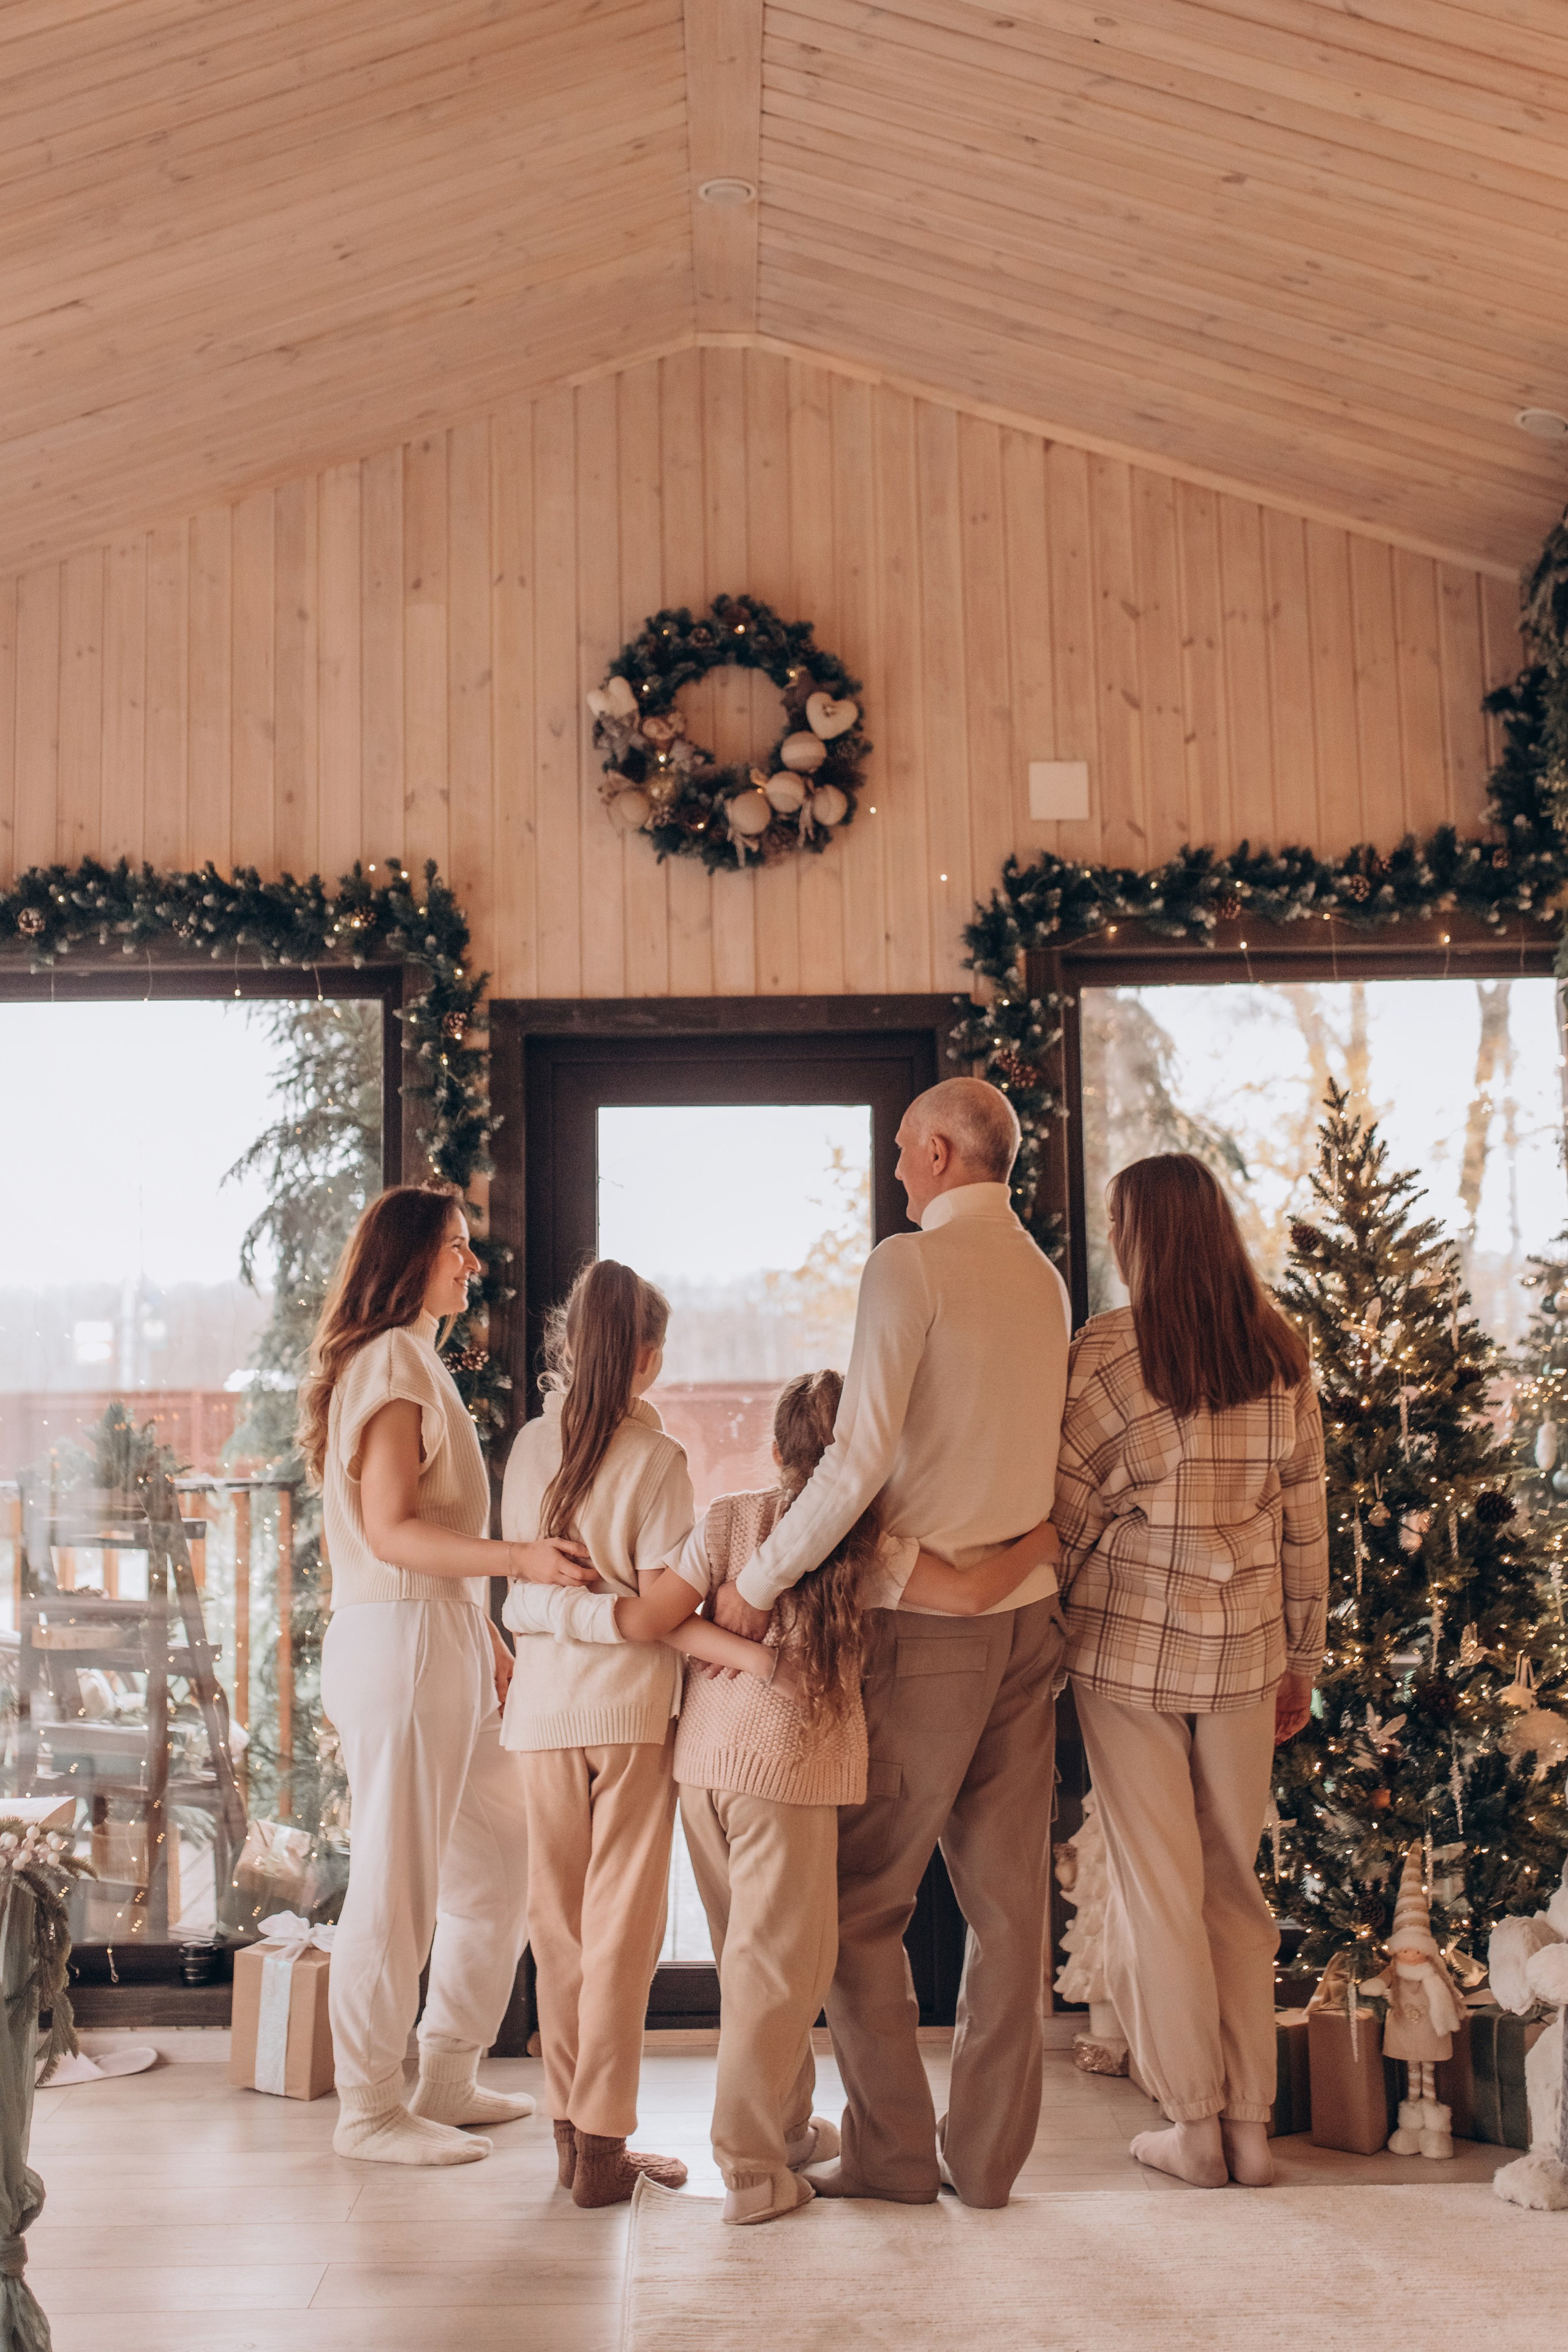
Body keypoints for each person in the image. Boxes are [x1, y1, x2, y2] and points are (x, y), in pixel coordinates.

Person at [715, 1076, 1073, 2209]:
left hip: (925, 1633)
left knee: (859, 1904)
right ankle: (989, 2164)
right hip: (1027, 1616)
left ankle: (895, 2153)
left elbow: (856, 1457)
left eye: (907, 1149)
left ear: (938, 1153)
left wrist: (760, 1581)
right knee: (1010, 1914)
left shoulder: (909, 1265)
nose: (898, 1168)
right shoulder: (1045, 1279)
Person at [662, 1368, 1059, 2226]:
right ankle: (753, 2169)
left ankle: (790, 2135)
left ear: (776, 1453)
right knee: (780, 1975)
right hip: (786, 1778)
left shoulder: (726, 1517)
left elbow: (655, 1615)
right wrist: (1043, 1537)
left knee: (746, 1967)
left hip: (702, 1771)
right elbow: (974, 1595)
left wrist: (741, 1654)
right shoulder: (863, 1546)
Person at [302, 1183, 595, 2168]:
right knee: (396, 1881)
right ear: (408, 1260)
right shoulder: (391, 1361)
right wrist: (520, 1563)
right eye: (456, 1246)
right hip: (402, 1644)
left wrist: (488, 1638)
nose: (473, 1263)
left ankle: (446, 2073)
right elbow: (391, 1531)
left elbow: (427, 1534)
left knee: (502, 1860)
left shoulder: (417, 1360)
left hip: (444, 1637)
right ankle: (368, 2109)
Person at [1052, 1153, 1328, 2190]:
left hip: (1125, 1652)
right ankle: (1252, 2128)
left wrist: (1039, 1635)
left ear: (1140, 1236)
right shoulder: (1279, 1351)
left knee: (1161, 1892)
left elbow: (1066, 1515)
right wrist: (1303, 1659)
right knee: (1231, 1889)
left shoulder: (1108, 1352)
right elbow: (1305, 1526)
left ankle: (1194, 2128)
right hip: (1247, 1653)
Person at [499, 1257, 779, 2208]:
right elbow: (661, 1610)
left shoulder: (529, 1447)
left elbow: (519, 1589)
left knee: (557, 1927)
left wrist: (575, 1614)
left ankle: (567, 2138)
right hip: (627, 1718)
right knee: (622, 1932)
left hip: (541, 1713)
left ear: (570, 1344)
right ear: (649, 1357)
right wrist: (751, 1654)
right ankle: (604, 2149)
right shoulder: (657, 1462)